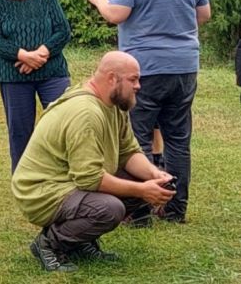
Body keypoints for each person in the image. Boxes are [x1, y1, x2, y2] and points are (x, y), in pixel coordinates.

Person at [83, 0, 211, 224]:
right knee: (177, 139)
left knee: (136, 139)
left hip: (144, 69)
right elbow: (204, 14)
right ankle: (175, 210)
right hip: (184, 67)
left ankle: (138, 212)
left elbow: (117, 13)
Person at [12, 51, 175, 273]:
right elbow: (89, 178)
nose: (138, 86)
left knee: (141, 179)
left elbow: (128, 152)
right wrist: (142, 190)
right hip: (41, 191)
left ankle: (80, 241)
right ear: (112, 78)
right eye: (133, 79)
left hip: (69, 181)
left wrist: (154, 175)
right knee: (109, 209)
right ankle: (49, 244)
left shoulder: (113, 103)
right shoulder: (86, 113)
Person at [0, 0, 72, 173]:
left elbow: (63, 31)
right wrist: (23, 55)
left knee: (63, 123)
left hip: (52, 73)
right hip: (14, 77)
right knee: (20, 132)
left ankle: (65, 174)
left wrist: (40, 55)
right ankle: (24, 179)